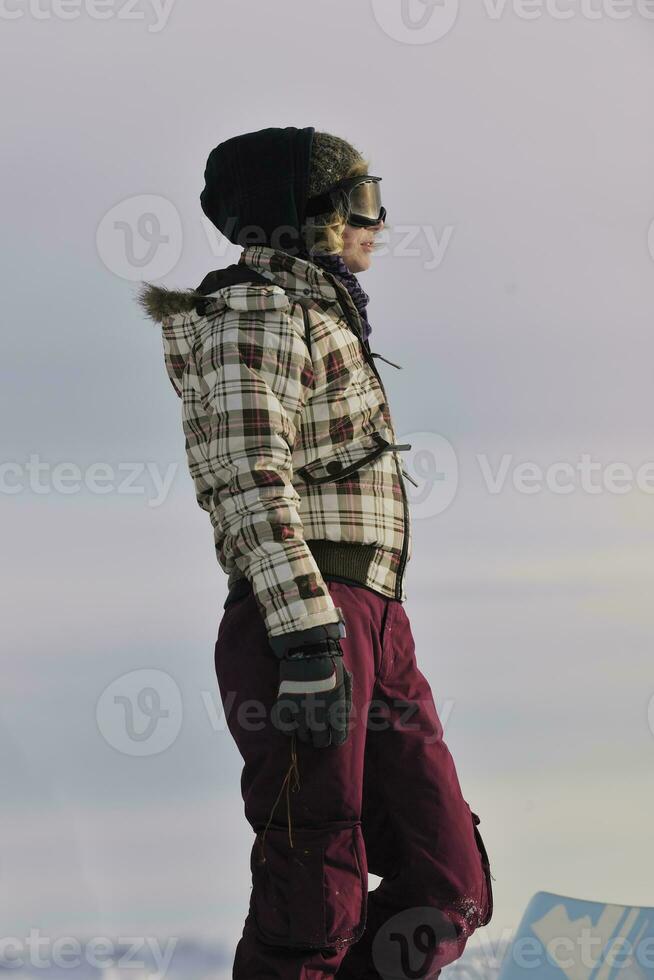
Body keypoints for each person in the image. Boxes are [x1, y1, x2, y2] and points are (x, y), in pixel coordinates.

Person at [138, 126, 493, 980]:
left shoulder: (321, 314)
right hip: (303, 615)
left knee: (448, 880)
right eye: (363, 199)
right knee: (316, 880)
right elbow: (247, 478)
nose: (378, 219)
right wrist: (306, 640)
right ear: (310, 215)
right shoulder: (252, 314)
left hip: (375, 615)